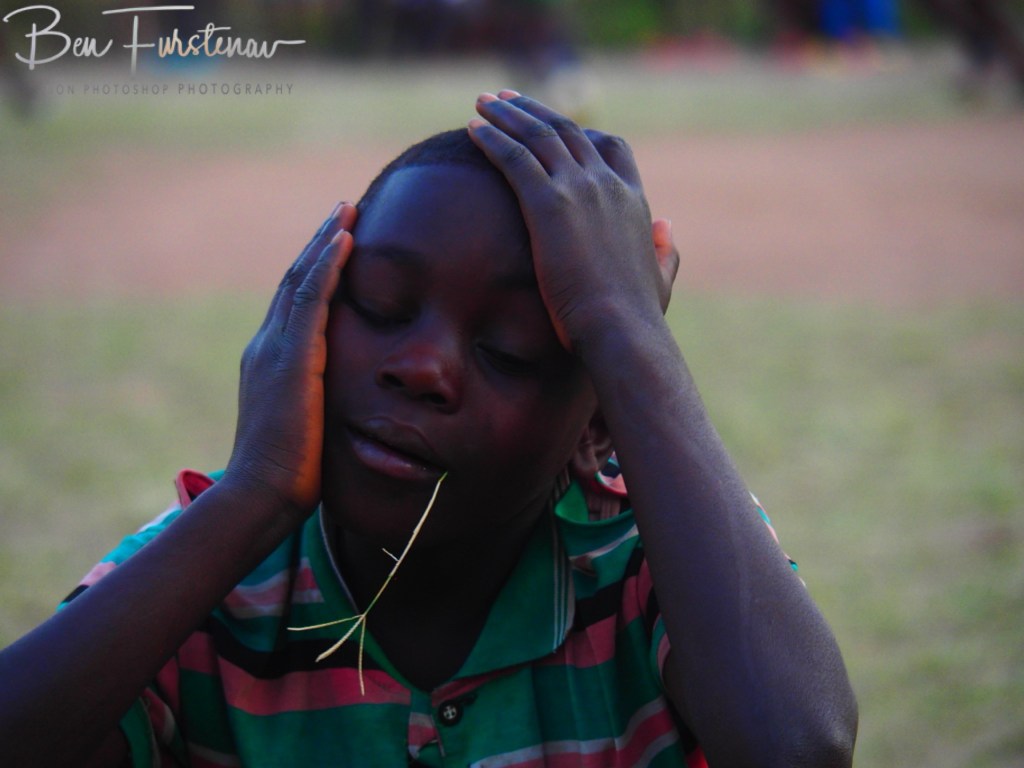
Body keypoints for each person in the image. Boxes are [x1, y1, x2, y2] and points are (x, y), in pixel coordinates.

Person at [0, 92, 857, 767]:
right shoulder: (197, 587)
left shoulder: (660, 562)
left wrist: (623, 326)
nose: (423, 367)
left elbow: (797, 745)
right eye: (378, 304)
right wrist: (254, 491)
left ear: (599, 426)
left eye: (509, 349)